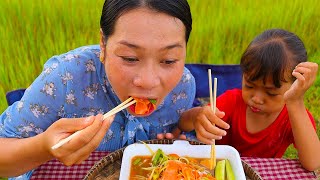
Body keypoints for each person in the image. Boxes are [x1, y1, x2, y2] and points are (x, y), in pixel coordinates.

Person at [0, 0, 195, 178]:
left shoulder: (182, 87)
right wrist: (44, 148)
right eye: (130, 58)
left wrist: (176, 135)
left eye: (169, 60)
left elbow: (174, 133)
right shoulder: (65, 78)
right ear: (103, 42)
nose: (148, 81)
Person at [179, 29, 319, 171]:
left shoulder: (293, 116)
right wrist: (198, 116)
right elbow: (183, 123)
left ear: (294, 87)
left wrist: (295, 102)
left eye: (270, 93)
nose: (256, 99)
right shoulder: (232, 101)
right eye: (249, 85)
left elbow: (313, 163)